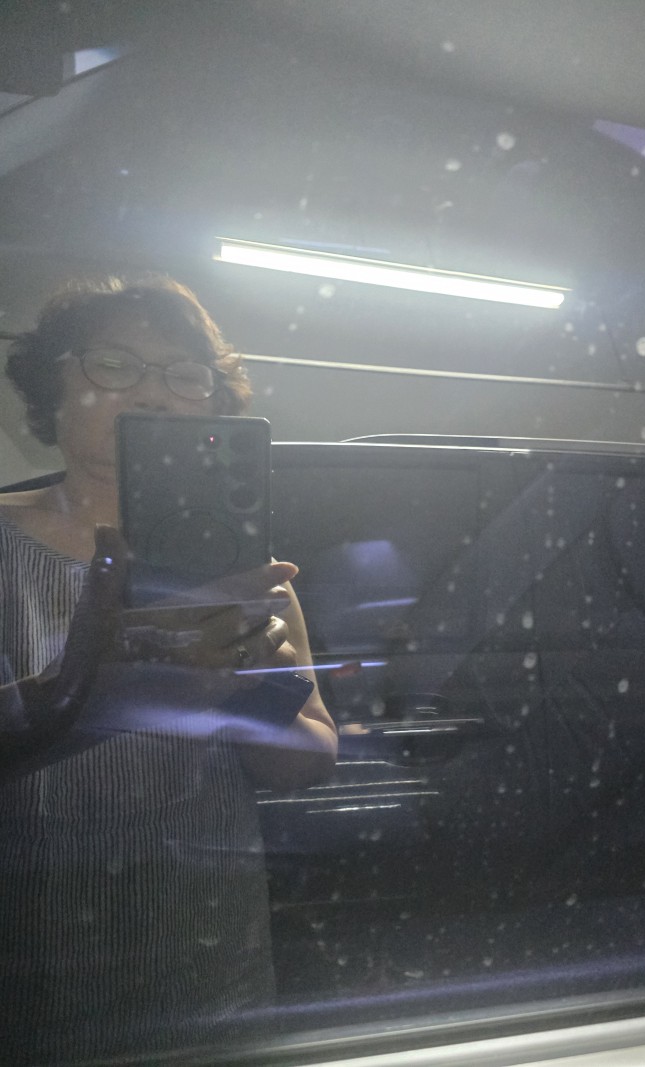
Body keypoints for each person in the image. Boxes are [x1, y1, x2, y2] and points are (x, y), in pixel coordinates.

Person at [0, 276, 338, 1063]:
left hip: (206, 959)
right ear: (52, 387)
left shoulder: (251, 573)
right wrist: (86, 693)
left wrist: (259, 696)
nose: (154, 393)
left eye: (185, 375)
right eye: (115, 364)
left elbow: (309, 760)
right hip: (28, 966)